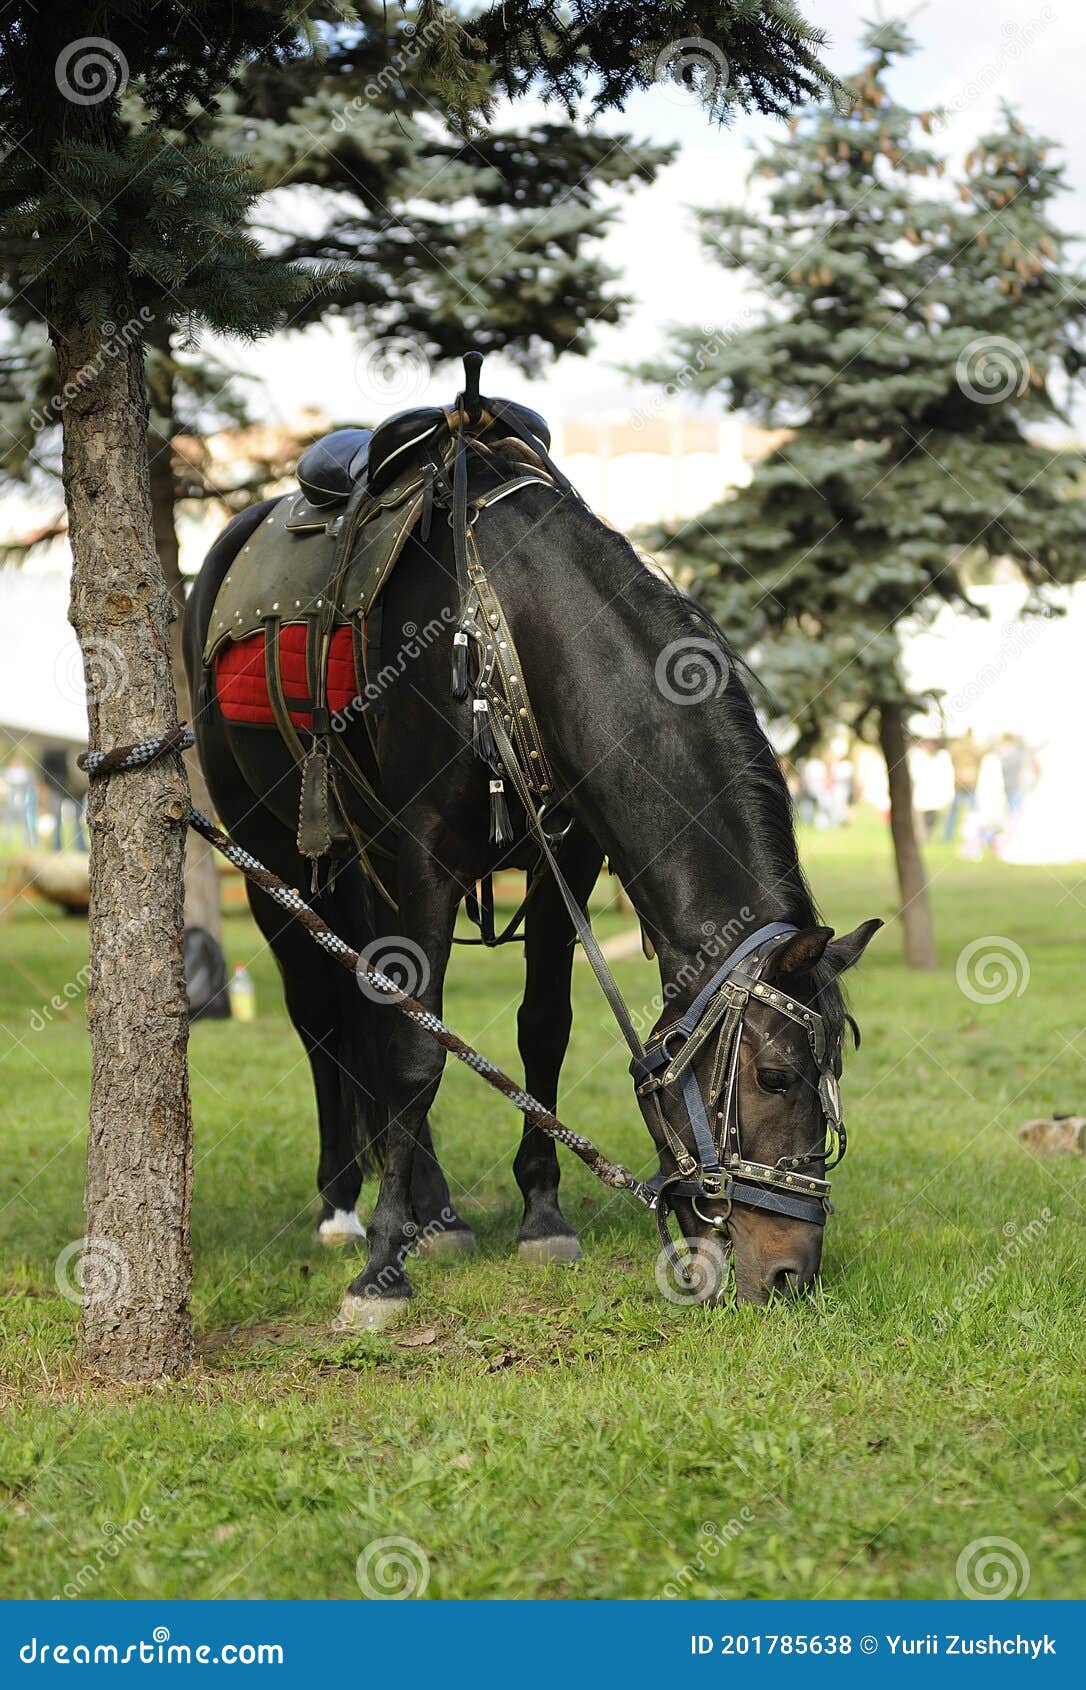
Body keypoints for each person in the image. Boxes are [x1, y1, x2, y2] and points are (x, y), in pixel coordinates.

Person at [943, 729, 982, 843]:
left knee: (966, 812)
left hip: (965, 784)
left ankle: (968, 836)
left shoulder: (957, 747)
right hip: (965, 784)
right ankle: (970, 836)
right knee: (970, 812)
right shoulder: (972, 747)